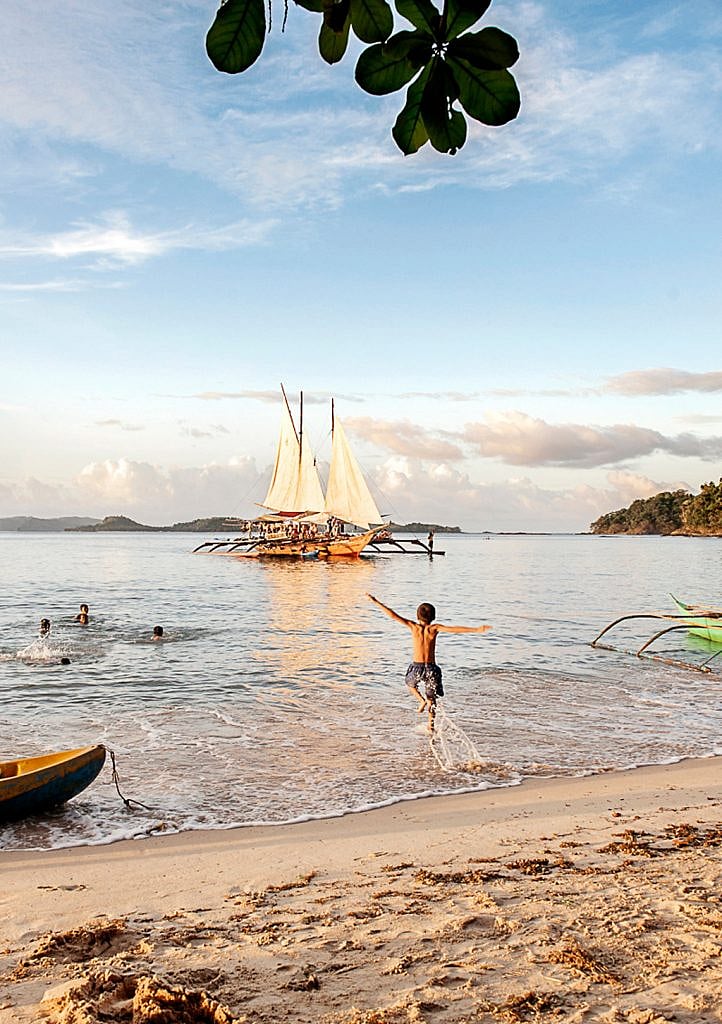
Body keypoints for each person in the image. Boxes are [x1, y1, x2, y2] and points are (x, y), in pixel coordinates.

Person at [367, 594, 491, 732]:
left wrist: (376, 601)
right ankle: (431, 726)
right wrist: (476, 629)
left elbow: (393, 615)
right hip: (431, 669)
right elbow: (455, 629)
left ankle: (420, 700)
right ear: (433, 617)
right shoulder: (435, 628)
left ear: (417, 616)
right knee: (432, 699)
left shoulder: (413, 627)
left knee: (410, 683)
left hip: (417, 667)